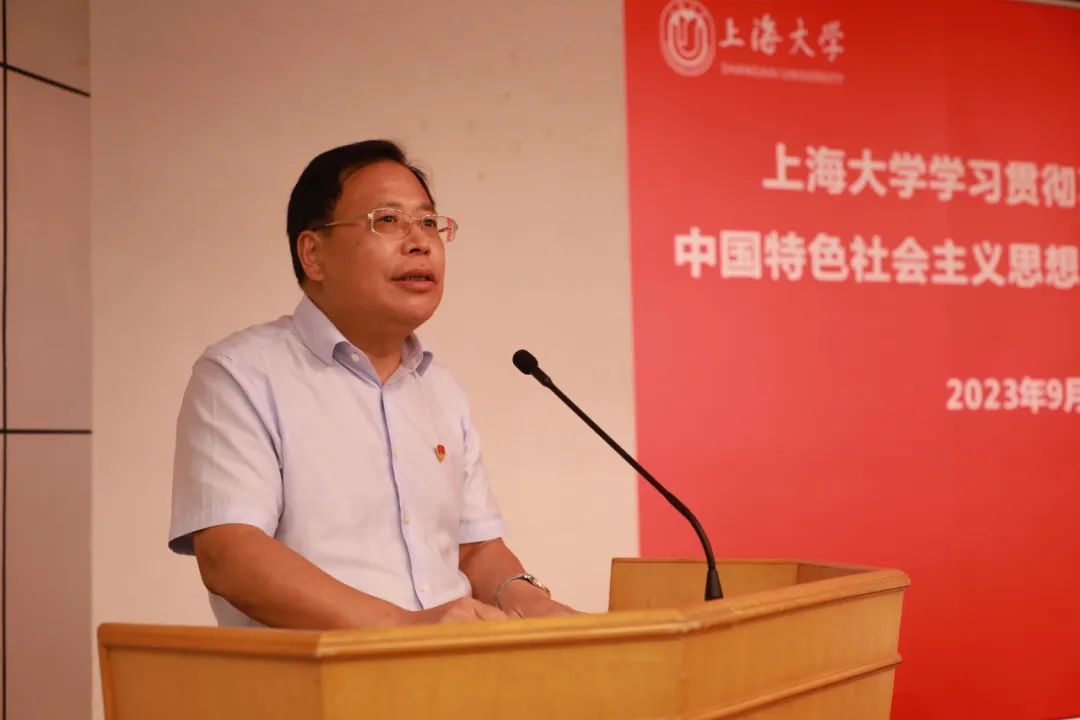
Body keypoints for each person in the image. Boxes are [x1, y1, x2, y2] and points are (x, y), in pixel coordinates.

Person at [168, 140, 575, 629]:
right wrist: (405, 630)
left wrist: (529, 600)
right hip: (326, 673)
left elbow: (474, 549)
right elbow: (231, 556)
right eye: (388, 220)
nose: (420, 241)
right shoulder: (241, 375)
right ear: (313, 254)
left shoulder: (440, 389)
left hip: (457, 666)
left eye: (429, 222)